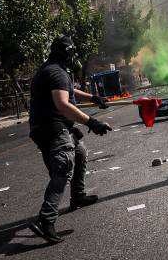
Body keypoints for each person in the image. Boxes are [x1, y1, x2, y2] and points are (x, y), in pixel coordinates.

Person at [28, 36, 112, 244]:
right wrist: (92, 122)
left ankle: (78, 196)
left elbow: (69, 90)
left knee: (79, 152)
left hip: (48, 127)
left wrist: (93, 98)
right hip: (52, 127)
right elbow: (63, 104)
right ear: (68, 53)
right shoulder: (56, 72)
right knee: (63, 167)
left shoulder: (53, 69)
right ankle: (45, 220)